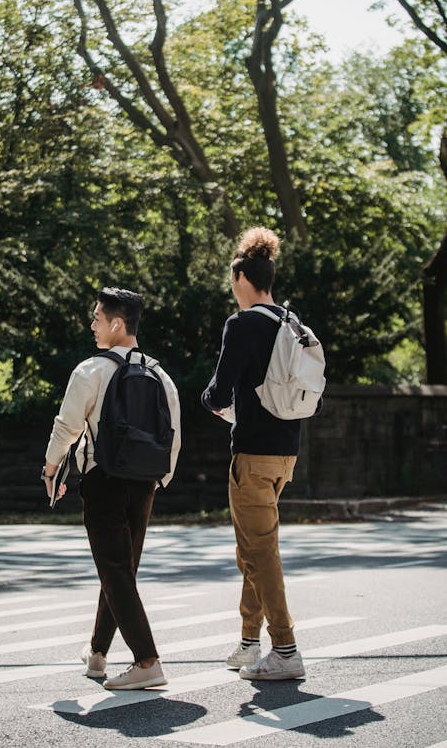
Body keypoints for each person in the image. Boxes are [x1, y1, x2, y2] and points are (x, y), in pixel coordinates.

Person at [43, 287, 181, 689]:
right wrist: (161, 478)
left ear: (116, 324)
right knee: (120, 569)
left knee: (115, 569)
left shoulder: (91, 370)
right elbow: (174, 434)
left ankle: (147, 661)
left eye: (97, 318)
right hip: (144, 483)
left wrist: (52, 468)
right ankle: (98, 654)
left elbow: (67, 426)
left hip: (104, 479)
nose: (92, 325)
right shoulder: (160, 375)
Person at [201, 227, 307, 681]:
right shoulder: (292, 323)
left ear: (241, 276)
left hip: (252, 454)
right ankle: (249, 641)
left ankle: (285, 647)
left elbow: (219, 390)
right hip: (286, 454)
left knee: (260, 551)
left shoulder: (242, 324)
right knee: (253, 547)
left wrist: (210, 400)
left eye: (232, 278)